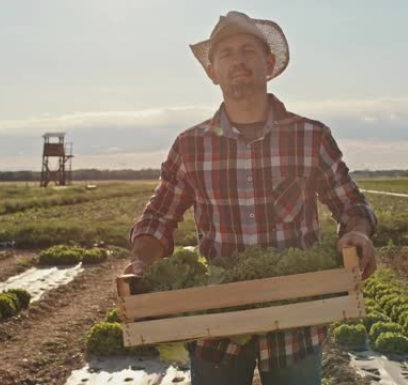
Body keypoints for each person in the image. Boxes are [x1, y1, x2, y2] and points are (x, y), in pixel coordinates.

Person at [127, 11, 378, 385]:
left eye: (248, 50)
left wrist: (357, 234)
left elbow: (351, 205)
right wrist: (142, 262)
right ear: (212, 72)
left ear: (269, 63)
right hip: (216, 325)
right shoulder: (191, 145)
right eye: (225, 53)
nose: (237, 60)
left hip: (296, 323)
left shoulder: (310, 137)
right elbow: (158, 217)